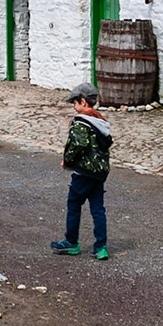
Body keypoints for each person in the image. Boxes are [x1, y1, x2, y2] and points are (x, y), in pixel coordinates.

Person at [52, 82, 112, 260]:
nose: (74, 106)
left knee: (74, 205)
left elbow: (78, 145)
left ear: (83, 102)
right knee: (98, 209)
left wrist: (67, 161)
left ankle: (71, 241)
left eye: (75, 102)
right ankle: (101, 247)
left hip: (83, 172)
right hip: (99, 173)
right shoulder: (101, 122)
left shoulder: (81, 122)